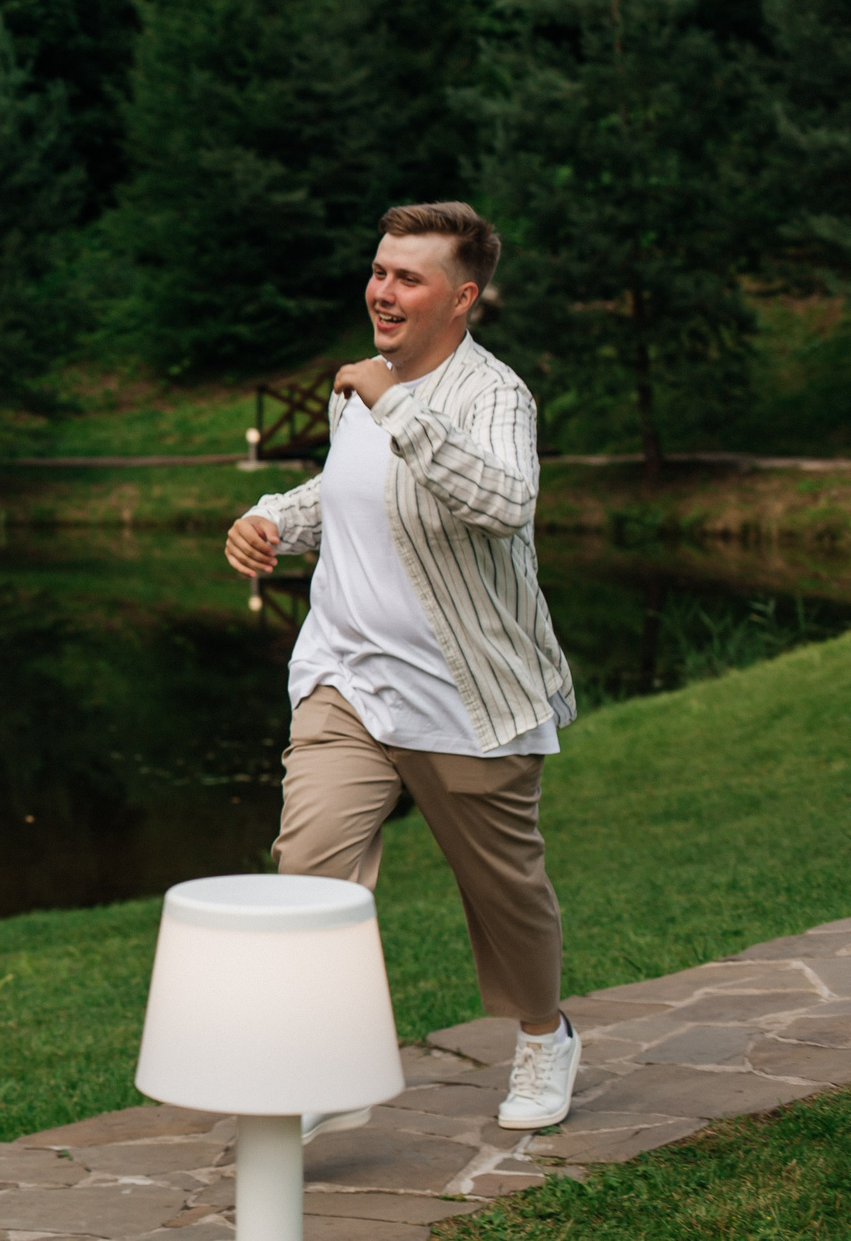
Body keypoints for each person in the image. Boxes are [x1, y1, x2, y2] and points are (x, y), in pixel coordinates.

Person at [224, 202, 582, 1136]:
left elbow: (504, 501)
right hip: (348, 680)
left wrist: (397, 405)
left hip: (467, 693)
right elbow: (343, 489)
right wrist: (272, 517)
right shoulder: (361, 387)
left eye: (407, 277)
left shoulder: (491, 395)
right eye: (380, 270)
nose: (383, 290)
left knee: (506, 892)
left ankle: (546, 1033)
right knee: (307, 867)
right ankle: (323, 1065)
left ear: (461, 299)